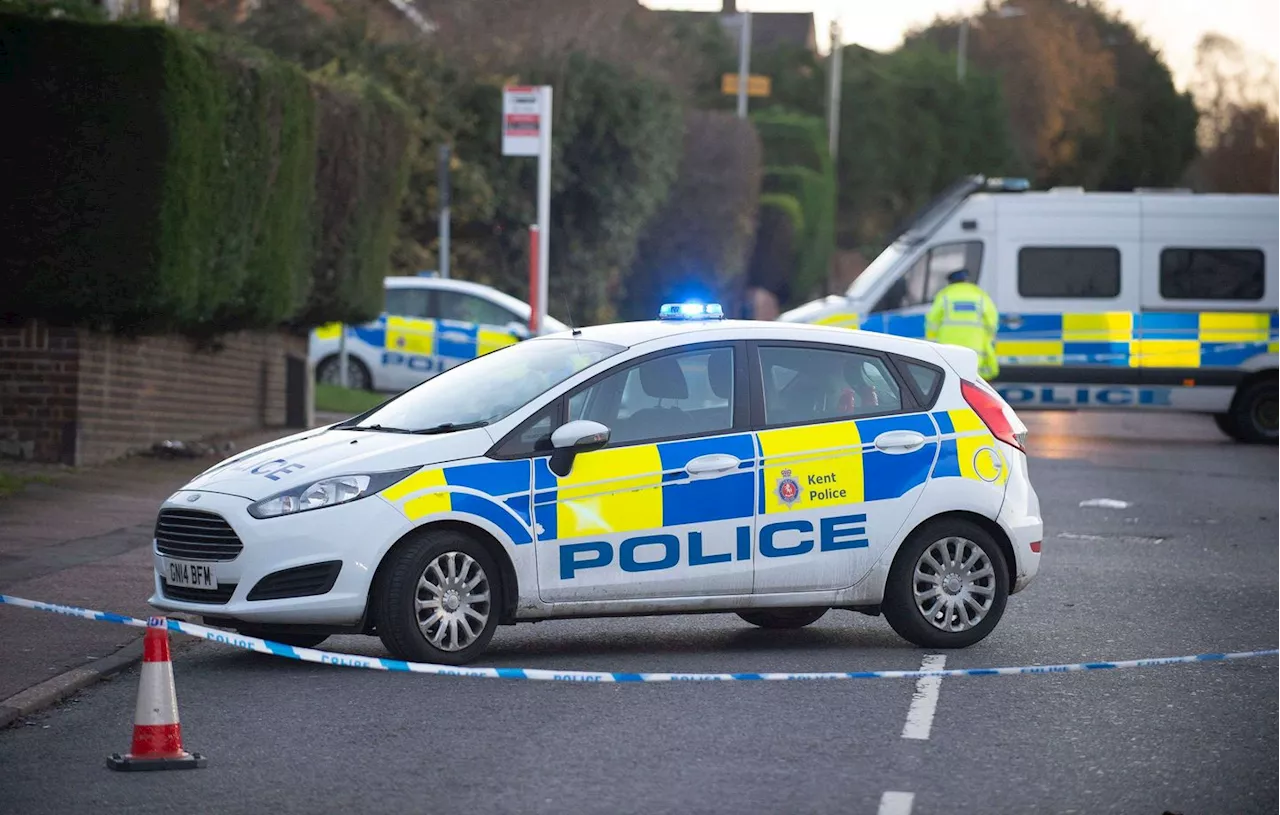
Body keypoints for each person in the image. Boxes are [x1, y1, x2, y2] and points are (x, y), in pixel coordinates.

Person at [925, 268, 1000, 380]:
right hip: (976, 352)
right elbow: (992, 323)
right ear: (967, 281)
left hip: (948, 350)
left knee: (951, 379)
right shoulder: (980, 295)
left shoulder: (944, 295)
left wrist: (933, 342)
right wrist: (986, 338)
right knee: (973, 382)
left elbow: (932, 323)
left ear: (951, 282)